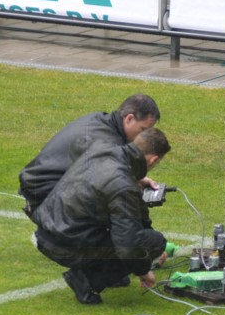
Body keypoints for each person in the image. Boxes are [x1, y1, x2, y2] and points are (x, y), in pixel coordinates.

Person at [33, 127, 171, 304]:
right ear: (153, 160)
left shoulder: (103, 148)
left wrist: (135, 180)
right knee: (154, 241)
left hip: (48, 227)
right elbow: (128, 246)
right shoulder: (123, 186)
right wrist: (144, 270)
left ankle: (110, 275)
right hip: (64, 243)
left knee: (126, 231)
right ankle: (87, 281)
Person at [18, 93, 160, 221]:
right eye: (143, 130)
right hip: (43, 198)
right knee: (118, 205)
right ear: (129, 119)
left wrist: (135, 178)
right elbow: (108, 185)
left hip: (41, 189)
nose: (144, 137)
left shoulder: (101, 120)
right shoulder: (107, 143)